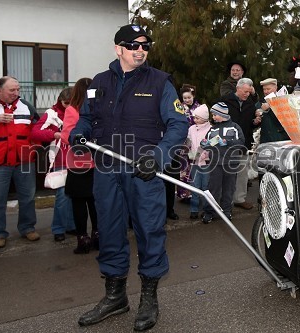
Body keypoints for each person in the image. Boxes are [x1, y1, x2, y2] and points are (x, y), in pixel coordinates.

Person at [71, 24, 188, 331]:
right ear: (118, 48)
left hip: (144, 172)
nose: (140, 50)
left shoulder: (161, 82)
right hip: (108, 170)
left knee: (150, 232)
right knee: (109, 231)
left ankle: (149, 299)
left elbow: (178, 124)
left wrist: (159, 156)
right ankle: (115, 296)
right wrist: (78, 134)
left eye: (145, 46)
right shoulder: (98, 82)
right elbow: (85, 118)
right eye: (133, 45)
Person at [0, 76, 40, 250]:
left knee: (28, 197)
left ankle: (27, 228)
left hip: (24, 160)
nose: (16, 93)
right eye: (12, 90)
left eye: (18, 90)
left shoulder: (26, 106)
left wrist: (35, 146)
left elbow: (39, 128)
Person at [31, 87, 75, 242]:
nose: (68, 106)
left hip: (78, 159)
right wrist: (54, 134)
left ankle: (71, 226)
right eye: (66, 103)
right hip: (60, 159)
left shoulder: (81, 111)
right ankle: (59, 229)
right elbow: (35, 132)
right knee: (62, 196)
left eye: (72, 103)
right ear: (60, 101)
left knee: (74, 195)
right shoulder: (52, 113)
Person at [60, 78, 99, 254]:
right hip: (95, 161)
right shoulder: (98, 109)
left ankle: (83, 237)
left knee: (80, 202)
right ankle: (98, 235)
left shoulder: (71, 109)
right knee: (94, 201)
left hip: (78, 162)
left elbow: (66, 134)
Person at [201, 102, 245, 224]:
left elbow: (241, 142)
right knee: (213, 188)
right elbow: (207, 143)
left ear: (223, 114)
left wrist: (227, 142)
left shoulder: (235, 127)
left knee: (229, 188)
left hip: (231, 163)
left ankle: (226, 211)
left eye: (215, 115)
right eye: (212, 115)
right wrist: (204, 144)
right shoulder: (212, 129)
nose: (213, 117)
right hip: (215, 163)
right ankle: (209, 211)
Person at [221, 78, 260, 210]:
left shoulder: (250, 104)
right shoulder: (225, 101)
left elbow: (251, 123)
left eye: (249, 92)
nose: (247, 94)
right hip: (227, 144)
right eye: (245, 92)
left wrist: (255, 122)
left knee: (242, 173)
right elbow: (215, 119)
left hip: (244, 143)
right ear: (237, 89)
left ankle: (240, 199)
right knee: (227, 173)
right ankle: (225, 201)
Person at [186, 104, 211, 219]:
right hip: (194, 161)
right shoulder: (191, 129)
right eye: (194, 117)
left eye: (197, 118)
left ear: (205, 118)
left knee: (206, 186)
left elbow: (211, 145)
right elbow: (189, 142)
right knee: (194, 185)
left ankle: (207, 209)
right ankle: (194, 209)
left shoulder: (210, 129)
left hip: (206, 162)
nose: (194, 119)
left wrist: (204, 155)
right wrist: (189, 153)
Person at [256, 78, 290, 144]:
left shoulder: (285, 101)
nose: (266, 92)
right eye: (264, 89)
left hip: (281, 139)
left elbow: (287, 119)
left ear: (275, 88)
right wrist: (256, 119)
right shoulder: (260, 103)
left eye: (268, 89)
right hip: (266, 140)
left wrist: (271, 106)